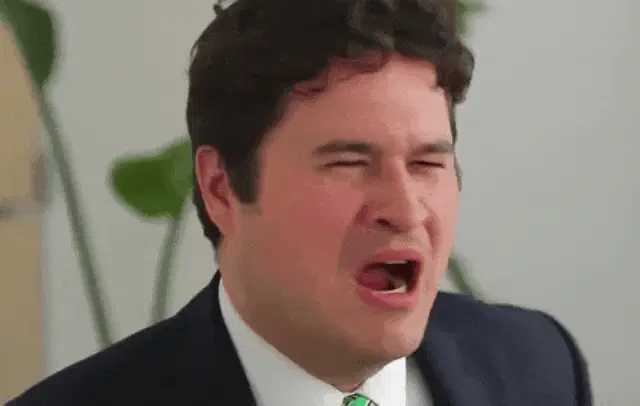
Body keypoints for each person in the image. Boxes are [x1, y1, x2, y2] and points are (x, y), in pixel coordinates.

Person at [9, 0, 594, 405]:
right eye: (349, 163)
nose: (406, 210)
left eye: (426, 163)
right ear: (222, 189)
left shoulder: (538, 364)